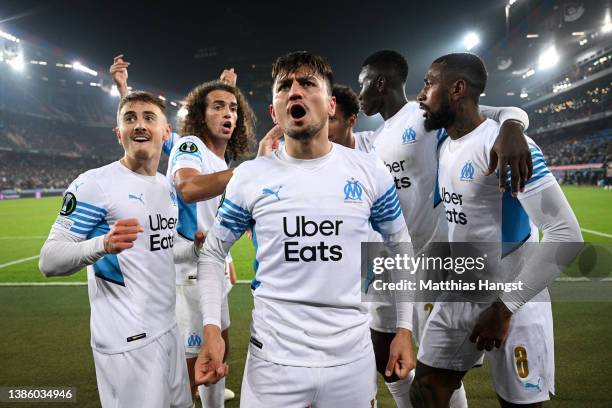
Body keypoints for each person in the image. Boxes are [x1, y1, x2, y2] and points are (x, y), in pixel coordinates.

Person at [195, 51, 415, 407]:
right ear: (274, 112)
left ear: (330, 105)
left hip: (351, 361)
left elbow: (400, 246)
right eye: (284, 87)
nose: (294, 91)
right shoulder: (250, 177)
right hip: (272, 363)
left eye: (307, 83)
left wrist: (404, 329)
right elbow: (212, 254)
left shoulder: (369, 172)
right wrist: (210, 329)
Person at [357, 49, 533, 408]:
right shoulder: (375, 138)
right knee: (385, 356)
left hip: (430, 261)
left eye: (362, 85)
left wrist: (514, 125)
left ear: (379, 83)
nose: (359, 94)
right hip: (388, 260)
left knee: (437, 368)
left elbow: (493, 113)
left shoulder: (422, 116)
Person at [411, 52, 583, 407]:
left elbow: (566, 234)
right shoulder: (445, 141)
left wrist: (504, 309)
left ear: (457, 88)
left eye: (428, 83)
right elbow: (490, 111)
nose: (420, 93)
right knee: (426, 388)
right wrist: (513, 121)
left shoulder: (509, 149)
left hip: (512, 303)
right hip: (461, 293)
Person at [39, 91, 203, 407]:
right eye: (130, 118)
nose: (139, 125)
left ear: (166, 132)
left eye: (148, 117)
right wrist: (103, 244)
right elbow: (49, 260)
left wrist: (196, 250)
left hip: (169, 330)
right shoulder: (94, 184)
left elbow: (158, 253)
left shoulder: (166, 186)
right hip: (127, 343)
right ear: (119, 133)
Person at [110, 55, 256, 407]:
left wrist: (227, 259)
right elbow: (188, 187)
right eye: (218, 107)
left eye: (233, 109)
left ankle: (213, 399)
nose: (228, 115)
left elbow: (213, 209)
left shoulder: (220, 160)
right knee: (194, 366)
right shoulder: (192, 147)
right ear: (200, 117)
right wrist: (123, 90)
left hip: (211, 264)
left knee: (219, 343)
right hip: (189, 270)